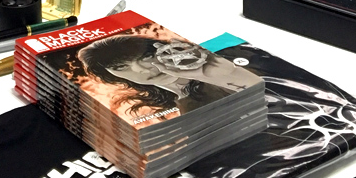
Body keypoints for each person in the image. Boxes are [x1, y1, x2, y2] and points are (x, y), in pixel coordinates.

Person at [77, 33, 260, 113]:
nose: (143, 69)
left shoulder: (223, 61)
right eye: (120, 67)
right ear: (112, 76)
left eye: (146, 56)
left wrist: (227, 75)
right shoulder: (184, 104)